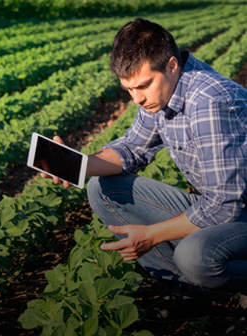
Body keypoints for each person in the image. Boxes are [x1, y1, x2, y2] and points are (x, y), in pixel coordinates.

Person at [44, 18, 247, 333]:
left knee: (196, 255)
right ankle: (189, 291)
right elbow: (131, 149)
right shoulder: (162, 92)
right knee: (103, 188)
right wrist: (77, 163)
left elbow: (226, 205)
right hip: (225, 205)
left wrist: (151, 235)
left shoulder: (210, 102)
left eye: (142, 86)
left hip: (235, 208)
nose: (136, 99)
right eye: (128, 89)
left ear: (171, 65)